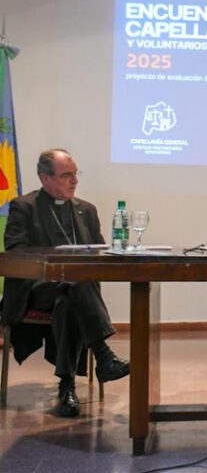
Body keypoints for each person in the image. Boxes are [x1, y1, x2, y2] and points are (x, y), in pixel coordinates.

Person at [1, 149, 130, 417]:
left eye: (75, 174)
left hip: (69, 293)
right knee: (73, 281)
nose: (74, 181)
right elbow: (15, 253)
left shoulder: (86, 210)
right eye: (66, 175)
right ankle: (103, 355)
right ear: (45, 178)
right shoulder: (24, 207)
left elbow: (98, 252)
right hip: (34, 288)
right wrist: (59, 266)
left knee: (69, 298)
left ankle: (67, 385)